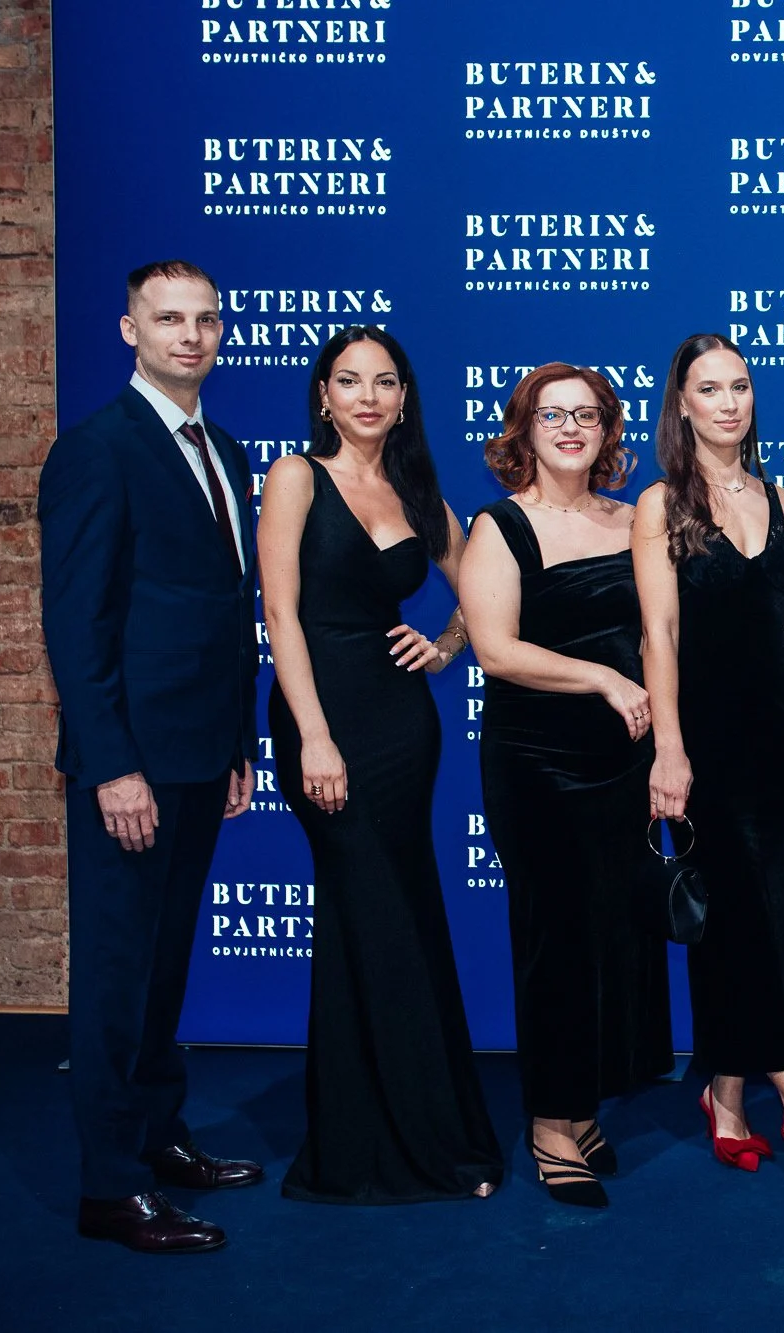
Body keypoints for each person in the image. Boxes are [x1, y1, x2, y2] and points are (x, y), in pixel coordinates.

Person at [40, 260, 264, 1252]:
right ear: (127, 328)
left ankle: (161, 1135)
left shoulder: (224, 446)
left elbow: (223, 616)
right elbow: (76, 625)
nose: (190, 334)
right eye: (168, 319)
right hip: (129, 761)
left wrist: (236, 744)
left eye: (205, 319)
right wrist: (111, 764)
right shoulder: (98, 450)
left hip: (198, 751)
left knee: (166, 964)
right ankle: (108, 1184)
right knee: (117, 973)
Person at [259, 325, 503, 1204]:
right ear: (324, 393)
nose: (368, 396)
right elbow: (281, 615)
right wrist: (313, 734)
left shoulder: (413, 486)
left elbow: (482, 579)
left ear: (405, 399)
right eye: (350, 380)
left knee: (401, 908)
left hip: (403, 726)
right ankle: (381, 1141)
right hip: (320, 717)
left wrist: (445, 645)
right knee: (368, 909)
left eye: (386, 382)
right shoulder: (295, 477)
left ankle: (420, 1130)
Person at [633, 334, 784, 1201]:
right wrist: (669, 745)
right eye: (709, 389)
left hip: (780, 743)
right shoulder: (662, 505)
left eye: (741, 387)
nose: (729, 403)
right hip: (707, 744)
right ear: (682, 404)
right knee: (743, 922)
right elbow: (660, 634)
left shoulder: (780, 493)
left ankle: (726, 1095)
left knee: (762, 920)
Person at [461, 363, 673, 1209]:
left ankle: (585, 1104)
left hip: (624, 763)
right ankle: (551, 1121)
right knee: (555, 937)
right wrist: (604, 680)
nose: (571, 427)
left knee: (613, 937)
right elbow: (496, 649)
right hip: (537, 761)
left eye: (588, 413)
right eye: (553, 414)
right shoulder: (500, 525)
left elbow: (662, 628)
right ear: (525, 427)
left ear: (608, 429)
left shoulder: (633, 519)